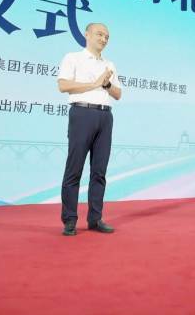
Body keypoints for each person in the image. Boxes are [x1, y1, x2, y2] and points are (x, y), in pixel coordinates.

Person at [57, 23, 123, 236]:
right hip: (82, 113)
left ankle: (95, 218)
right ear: (87, 34)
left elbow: (118, 94)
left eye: (107, 37)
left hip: (105, 116)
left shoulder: (109, 65)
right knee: (74, 169)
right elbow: (63, 86)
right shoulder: (72, 58)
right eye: (100, 34)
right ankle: (69, 220)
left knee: (99, 171)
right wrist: (95, 83)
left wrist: (106, 84)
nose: (103, 39)